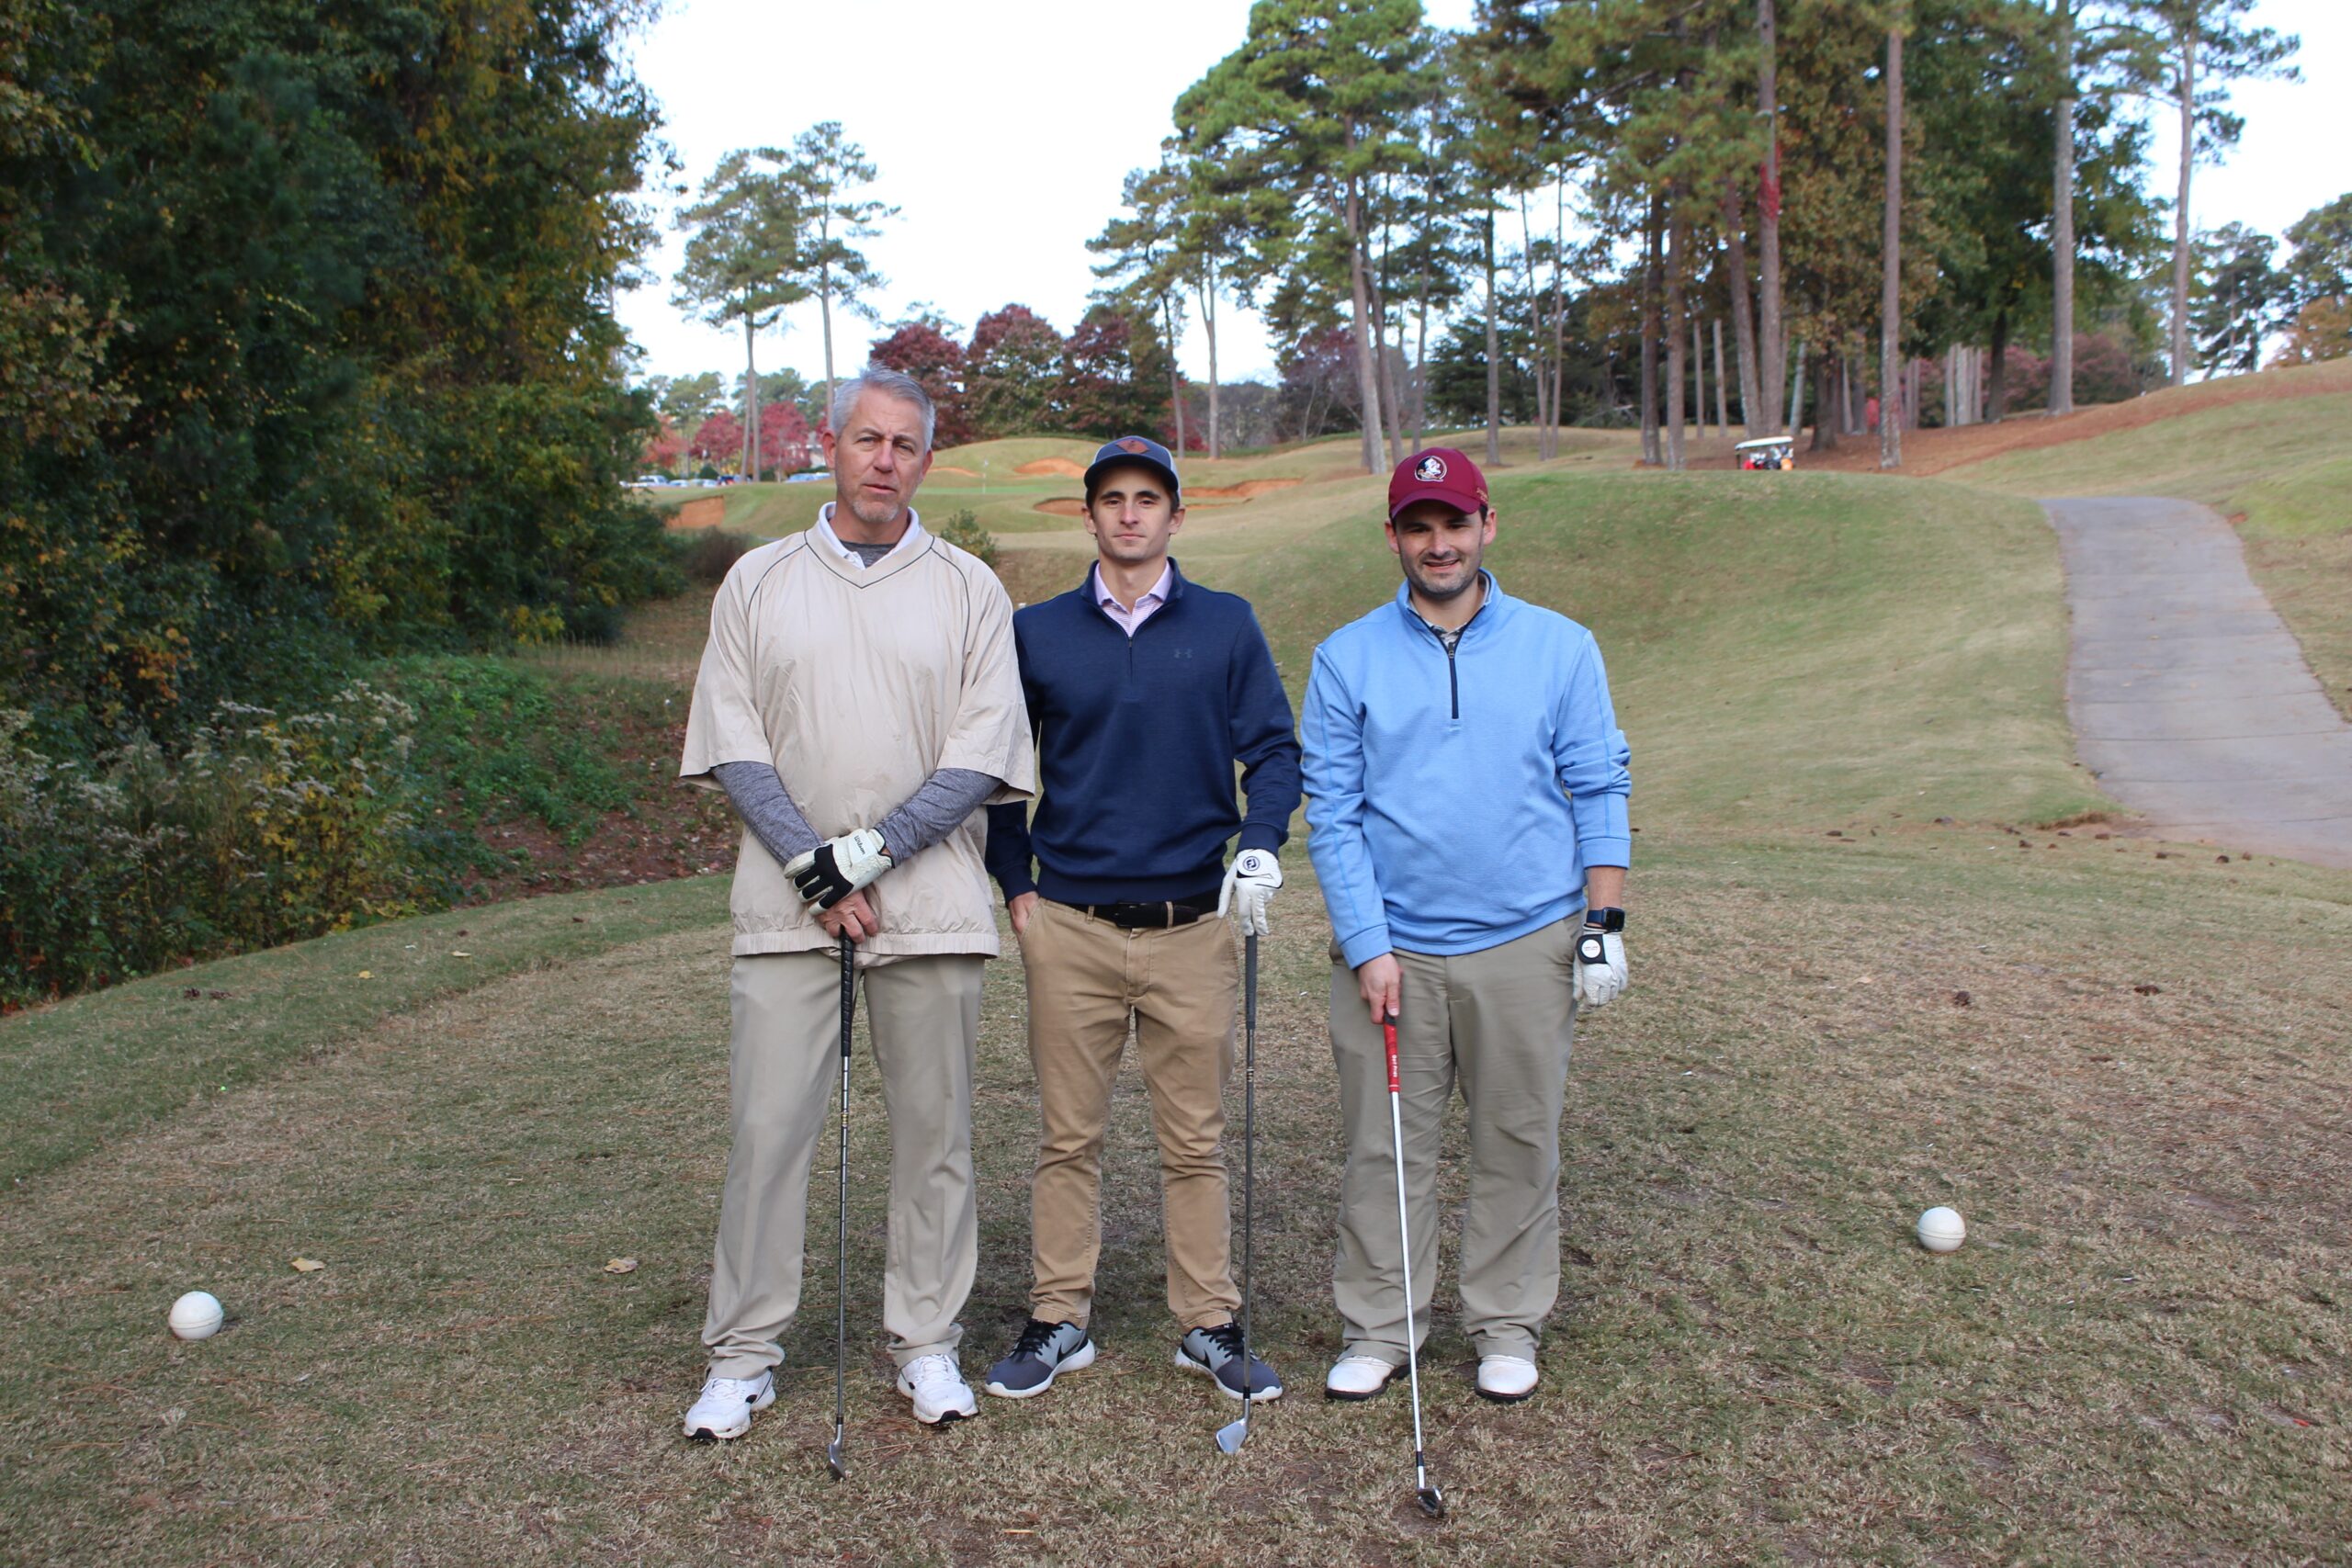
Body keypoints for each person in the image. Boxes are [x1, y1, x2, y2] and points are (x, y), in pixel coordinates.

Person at [674, 366, 1035, 1440]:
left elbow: (983, 752)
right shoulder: (758, 580)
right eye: (867, 440)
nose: (884, 461)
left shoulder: (969, 587)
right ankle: (742, 1356)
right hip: (786, 911)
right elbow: (733, 738)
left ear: (926, 459)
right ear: (830, 446)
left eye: (905, 445)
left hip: (931, 907)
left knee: (936, 1138)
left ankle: (925, 1342)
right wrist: (813, 869)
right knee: (767, 1134)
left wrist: (867, 855)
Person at [1299, 446, 1632, 1405]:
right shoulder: (1347, 656)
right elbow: (1334, 814)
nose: (1438, 543)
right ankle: (1379, 1326)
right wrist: (1368, 945)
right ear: (1393, 537)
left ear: (1488, 525)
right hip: (1392, 947)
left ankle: (1506, 1323)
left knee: (1517, 1140)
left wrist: (1603, 919)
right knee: (1383, 1148)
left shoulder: (1561, 646)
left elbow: (1598, 784)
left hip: (1526, 938)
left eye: (1454, 523)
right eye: (1418, 526)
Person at [979, 434, 1300, 1406]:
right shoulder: (1037, 630)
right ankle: (1058, 1316)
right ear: (1089, 515)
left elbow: (1274, 751)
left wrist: (1259, 842)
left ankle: (1207, 1321)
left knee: (1194, 1140)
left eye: (1147, 499)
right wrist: (1015, 881)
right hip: (1069, 922)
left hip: (1192, 923)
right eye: (1112, 498)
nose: (1129, 514)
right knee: (1066, 1137)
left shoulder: (1226, 623)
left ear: (1175, 516)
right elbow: (1002, 766)